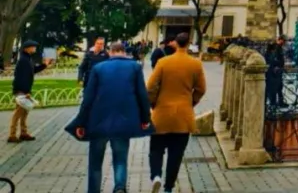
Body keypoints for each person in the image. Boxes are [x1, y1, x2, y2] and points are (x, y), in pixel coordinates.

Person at [66, 41, 153, 193]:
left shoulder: (99, 68)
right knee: (120, 160)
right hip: (123, 122)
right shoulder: (134, 67)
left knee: (95, 163)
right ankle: (119, 188)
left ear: (110, 52)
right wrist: (145, 119)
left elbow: (88, 99)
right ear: (124, 52)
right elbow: (142, 95)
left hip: (98, 122)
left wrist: (81, 122)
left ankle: (93, 190)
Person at [146, 31, 206, 193]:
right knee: (176, 154)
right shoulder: (195, 64)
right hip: (183, 116)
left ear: (175, 43)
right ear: (188, 44)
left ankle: (156, 175)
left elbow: (150, 87)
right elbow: (201, 88)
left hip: (161, 114)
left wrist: (153, 103)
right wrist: (191, 102)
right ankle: (168, 187)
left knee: (156, 150)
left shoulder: (163, 62)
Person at [8, 40, 46, 143]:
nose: (35, 48)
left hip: (24, 89)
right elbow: (21, 77)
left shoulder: (28, 59)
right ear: (26, 48)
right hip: (21, 90)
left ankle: (23, 133)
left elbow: (32, 71)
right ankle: (12, 135)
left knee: (25, 112)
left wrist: (44, 65)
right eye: (33, 46)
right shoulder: (23, 60)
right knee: (18, 113)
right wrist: (25, 91)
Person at [265, 39, 286, 110]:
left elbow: (279, 62)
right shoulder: (270, 54)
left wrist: (279, 66)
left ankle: (278, 102)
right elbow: (273, 63)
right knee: (273, 90)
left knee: (278, 88)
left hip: (275, 74)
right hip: (272, 75)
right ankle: (273, 104)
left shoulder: (271, 54)